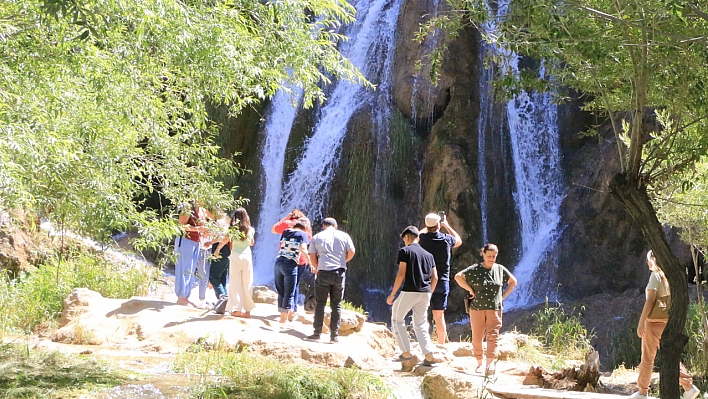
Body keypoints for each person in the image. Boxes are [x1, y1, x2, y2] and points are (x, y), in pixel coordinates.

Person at [628, 250, 700, 399]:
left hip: (653, 323)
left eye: (648, 260)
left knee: (647, 358)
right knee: (670, 356)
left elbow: (650, 300)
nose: (647, 263)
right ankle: (689, 386)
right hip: (667, 322)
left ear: (652, 261)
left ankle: (642, 392)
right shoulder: (670, 277)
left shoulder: (655, 275)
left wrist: (641, 322)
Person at [454, 243, 516, 375]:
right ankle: (479, 363)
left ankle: (490, 364)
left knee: (493, 335)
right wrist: (470, 289)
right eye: (489, 256)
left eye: (494, 256)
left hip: (495, 308)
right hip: (477, 308)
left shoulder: (500, 269)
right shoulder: (475, 269)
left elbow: (513, 282)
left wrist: (503, 297)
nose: (492, 259)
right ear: (483, 254)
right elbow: (458, 277)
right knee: (477, 336)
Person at [387, 226, 440, 366]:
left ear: (406, 237)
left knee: (397, 319)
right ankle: (429, 356)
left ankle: (406, 353)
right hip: (425, 292)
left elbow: (401, 273)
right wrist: (430, 293)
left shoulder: (405, 251)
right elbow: (435, 277)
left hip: (410, 291)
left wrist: (393, 294)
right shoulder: (429, 255)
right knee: (421, 324)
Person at [304, 218, 355, 343]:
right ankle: (334, 336)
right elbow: (352, 251)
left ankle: (316, 334)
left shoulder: (317, 237)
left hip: (323, 272)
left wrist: (318, 267)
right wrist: (343, 262)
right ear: (336, 226)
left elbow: (312, 256)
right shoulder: (344, 236)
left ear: (323, 226)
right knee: (336, 305)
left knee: (320, 303)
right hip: (339, 272)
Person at [419, 212, 462, 344]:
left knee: (422, 314)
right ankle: (441, 344)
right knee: (439, 316)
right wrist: (447, 226)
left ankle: (424, 342)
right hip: (442, 282)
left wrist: (428, 227)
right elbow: (459, 240)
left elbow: (416, 235)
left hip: (425, 281)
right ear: (438, 225)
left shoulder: (423, 239)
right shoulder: (446, 239)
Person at [272, 210, 313, 320]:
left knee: (282, 289)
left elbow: (276, 232)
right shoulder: (304, 232)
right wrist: (311, 263)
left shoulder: (286, 229)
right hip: (294, 262)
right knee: (291, 289)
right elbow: (304, 247)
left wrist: (285, 218)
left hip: (279, 261)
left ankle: (284, 313)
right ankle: (287, 315)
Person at [174, 200, 213, 307]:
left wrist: (205, 232)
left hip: (196, 243)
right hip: (185, 240)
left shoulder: (201, 211)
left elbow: (202, 228)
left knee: (191, 270)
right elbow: (181, 226)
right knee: (184, 268)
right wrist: (199, 229)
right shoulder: (187, 208)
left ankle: (185, 297)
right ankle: (181, 298)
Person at [226, 208, 256, 318]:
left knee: (235, 283)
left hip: (235, 256)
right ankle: (247, 311)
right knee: (247, 283)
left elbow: (230, 243)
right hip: (247, 256)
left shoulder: (233, 229)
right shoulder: (251, 229)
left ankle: (236, 309)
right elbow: (252, 243)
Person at [208, 212, 231, 304]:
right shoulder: (223, 221)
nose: (207, 214)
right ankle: (224, 301)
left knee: (213, 277)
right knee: (222, 278)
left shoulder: (220, 222)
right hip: (225, 251)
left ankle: (222, 301)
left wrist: (212, 244)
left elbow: (224, 238)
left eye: (208, 212)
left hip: (221, 251)